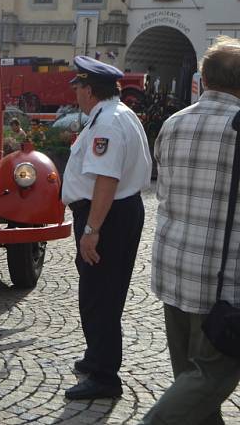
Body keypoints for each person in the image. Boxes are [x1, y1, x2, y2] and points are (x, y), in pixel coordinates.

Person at [140, 37, 240, 424]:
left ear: (204, 78)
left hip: (175, 273)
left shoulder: (173, 122)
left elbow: (164, 192)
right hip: (225, 286)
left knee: (192, 386)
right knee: (208, 380)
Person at [60, 55, 152, 400]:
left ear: (89, 90)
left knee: (99, 296)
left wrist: (91, 230)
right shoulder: (117, 114)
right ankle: (96, 356)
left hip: (106, 215)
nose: (75, 95)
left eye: (78, 88)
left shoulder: (106, 124)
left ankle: (104, 376)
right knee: (103, 290)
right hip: (119, 212)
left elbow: (106, 179)